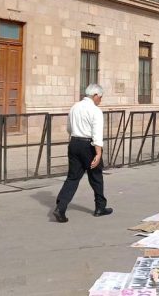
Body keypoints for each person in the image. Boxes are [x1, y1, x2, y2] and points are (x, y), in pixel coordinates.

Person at [53, 84, 112, 222]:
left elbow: (69, 127)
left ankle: (61, 207)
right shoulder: (95, 110)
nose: (100, 100)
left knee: (72, 177)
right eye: (100, 97)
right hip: (88, 145)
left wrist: (76, 136)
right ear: (95, 95)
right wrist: (98, 153)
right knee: (96, 176)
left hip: (74, 143)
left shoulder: (75, 107)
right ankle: (100, 207)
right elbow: (97, 133)